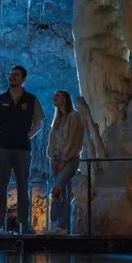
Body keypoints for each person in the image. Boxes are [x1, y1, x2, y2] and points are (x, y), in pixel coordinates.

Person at [0, 65, 45, 233]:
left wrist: (26, 136)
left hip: (23, 149)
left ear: (23, 79)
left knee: (23, 187)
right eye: (11, 74)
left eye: (16, 75)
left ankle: (24, 224)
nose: (12, 77)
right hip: (3, 147)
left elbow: (38, 124)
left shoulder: (31, 99)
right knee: (0, 187)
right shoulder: (1, 99)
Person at [46, 91, 85, 235]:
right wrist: (52, 159)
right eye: (54, 95)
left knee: (56, 190)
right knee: (63, 192)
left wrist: (63, 160)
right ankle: (60, 227)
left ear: (65, 99)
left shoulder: (74, 117)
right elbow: (52, 141)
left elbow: (73, 140)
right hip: (57, 160)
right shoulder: (58, 120)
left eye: (58, 95)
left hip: (70, 160)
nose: (54, 97)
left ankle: (59, 224)